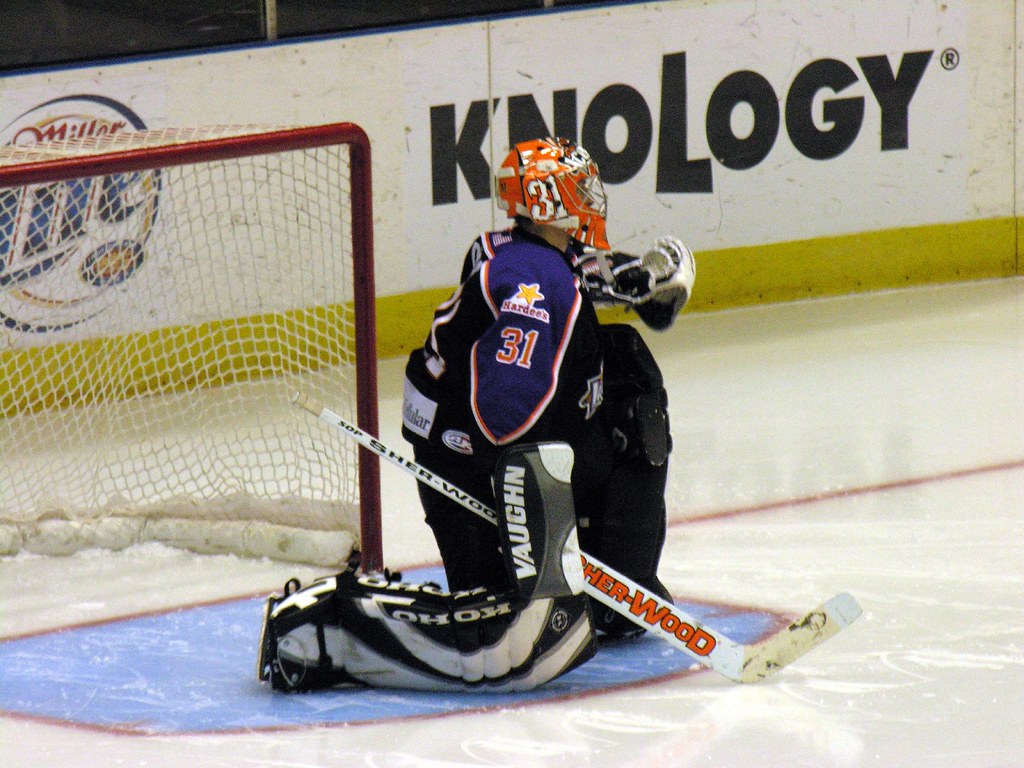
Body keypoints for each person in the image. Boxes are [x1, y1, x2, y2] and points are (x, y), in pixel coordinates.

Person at [257, 137, 695, 693]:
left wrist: (644, 283)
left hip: (460, 443)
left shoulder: (524, 254)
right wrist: (540, 524)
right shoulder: (538, 287)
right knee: (514, 638)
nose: (593, 196)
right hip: (468, 464)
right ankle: (331, 624)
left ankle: (616, 587)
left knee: (625, 363)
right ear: (547, 201)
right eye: (580, 187)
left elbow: (600, 278)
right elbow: (505, 417)